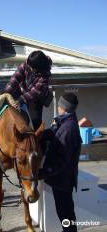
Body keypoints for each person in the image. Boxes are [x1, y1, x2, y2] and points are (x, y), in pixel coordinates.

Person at [40, 93, 82, 232]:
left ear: (64, 108)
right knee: (64, 212)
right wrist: (40, 135)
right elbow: (53, 132)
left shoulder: (68, 129)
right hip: (61, 179)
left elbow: (62, 159)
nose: (57, 107)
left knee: (66, 214)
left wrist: (45, 172)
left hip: (63, 180)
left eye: (59, 105)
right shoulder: (64, 122)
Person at [5, 50, 53, 130]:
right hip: (22, 91)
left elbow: (35, 93)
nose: (29, 67)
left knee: (35, 121)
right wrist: (6, 93)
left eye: (31, 67)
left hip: (36, 99)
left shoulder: (45, 76)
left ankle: (38, 140)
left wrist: (19, 100)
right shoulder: (25, 65)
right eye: (28, 64)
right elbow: (14, 79)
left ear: (38, 68)